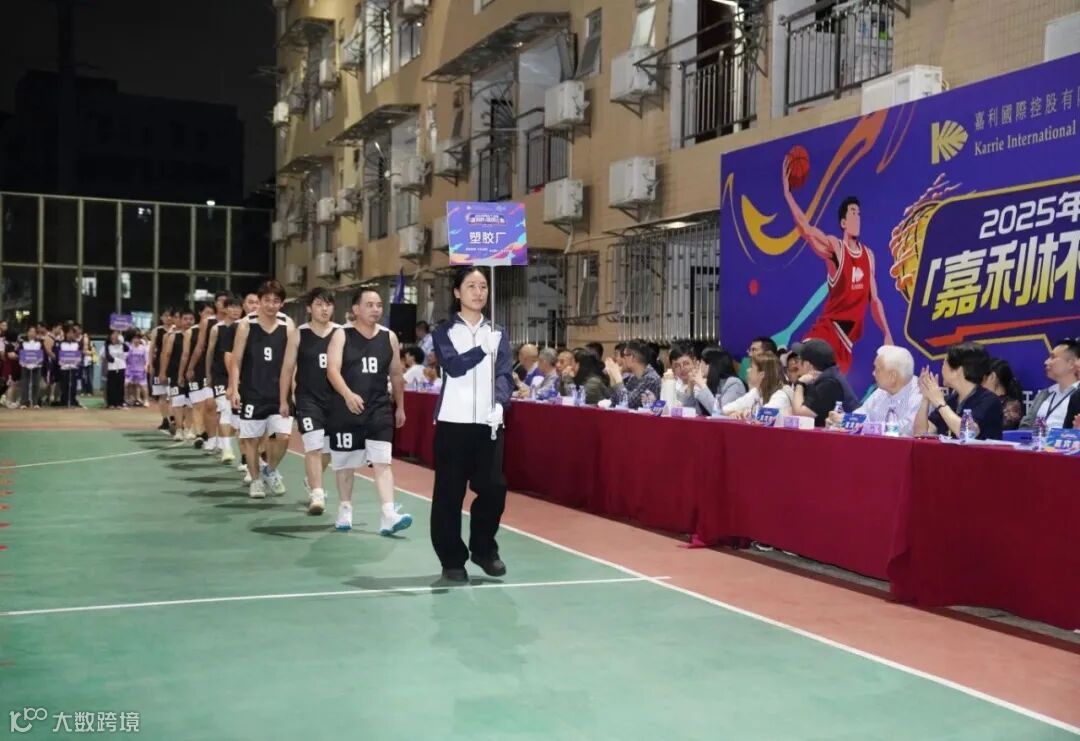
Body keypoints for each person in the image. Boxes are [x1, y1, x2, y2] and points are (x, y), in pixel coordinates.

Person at [430, 267, 513, 583]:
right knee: (449, 495)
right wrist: (481, 350)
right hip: (454, 423)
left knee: (494, 488)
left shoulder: (498, 332)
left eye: (483, 286)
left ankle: (483, 548)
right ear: (457, 292)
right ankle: (452, 559)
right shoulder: (444, 331)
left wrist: (499, 404)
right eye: (471, 286)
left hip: (488, 425)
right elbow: (453, 366)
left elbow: (503, 373)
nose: (479, 292)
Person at [783, 156, 893, 372]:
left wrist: (887, 333)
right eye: (853, 213)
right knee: (804, 369)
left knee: (829, 386)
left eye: (859, 214)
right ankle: (786, 362)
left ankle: (788, 362)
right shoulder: (836, 248)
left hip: (845, 343)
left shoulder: (868, 255)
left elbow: (874, 300)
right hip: (827, 330)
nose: (857, 217)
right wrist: (788, 194)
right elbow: (807, 230)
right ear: (843, 222)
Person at [324, 287, 413, 535]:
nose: (376, 309)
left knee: (383, 461)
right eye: (370, 305)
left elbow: (396, 374)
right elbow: (332, 370)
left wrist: (400, 406)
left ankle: (388, 515)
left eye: (379, 305)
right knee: (345, 463)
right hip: (346, 409)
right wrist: (347, 394)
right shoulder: (341, 334)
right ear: (356, 309)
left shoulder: (389, 337)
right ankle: (345, 508)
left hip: (379, 409)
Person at [228, 281, 295, 499]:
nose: (271, 305)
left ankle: (270, 470)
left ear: (282, 304)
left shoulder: (287, 324)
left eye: (276, 301)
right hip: (253, 392)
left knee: (282, 436)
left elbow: (292, 361)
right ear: (260, 301)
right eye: (267, 300)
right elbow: (236, 360)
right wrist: (234, 388)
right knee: (252, 440)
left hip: (279, 393)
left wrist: (294, 390)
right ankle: (255, 480)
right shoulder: (247, 324)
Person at [288, 288, 338, 516]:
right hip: (308, 399)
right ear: (309, 308)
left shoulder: (341, 333)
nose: (324, 309)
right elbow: (288, 369)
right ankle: (317, 494)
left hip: (335, 400)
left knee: (328, 450)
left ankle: (311, 480)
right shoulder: (299, 334)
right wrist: (286, 398)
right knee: (313, 445)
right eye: (319, 304)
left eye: (328, 304)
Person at [914, 341, 1003, 440]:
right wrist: (926, 398)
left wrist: (940, 403)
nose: (942, 369)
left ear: (958, 371)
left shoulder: (989, 400)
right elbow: (919, 434)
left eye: (944, 364)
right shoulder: (950, 401)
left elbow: (968, 433)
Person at [827, 345, 922, 435]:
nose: (873, 373)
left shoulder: (919, 393)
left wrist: (870, 427)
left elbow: (907, 428)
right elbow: (862, 415)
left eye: (877, 369)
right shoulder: (881, 391)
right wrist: (842, 420)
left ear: (893, 376)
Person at [789, 338, 859, 426]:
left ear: (807, 365)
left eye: (799, 360)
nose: (797, 365)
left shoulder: (829, 383)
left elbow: (799, 414)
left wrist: (800, 384)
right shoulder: (827, 376)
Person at [205, 297, 242, 464]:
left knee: (237, 415)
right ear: (225, 309)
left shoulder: (244, 327)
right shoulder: (216, 328)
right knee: (225, 408)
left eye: (238, 307)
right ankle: (227, 449)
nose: (235, 310)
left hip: (240, 375)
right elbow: (210, 352)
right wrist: (208, 374)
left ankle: (227, 443)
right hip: (220, 374)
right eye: (232, 307)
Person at [1020, 340, 1080, 431]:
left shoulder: (1077, 396)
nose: (1046, 362)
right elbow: (1025, 426)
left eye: (1053, 357)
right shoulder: (1044, 394)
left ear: (1071, 364)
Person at [159, 308, 195, 441]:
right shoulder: (173, 336)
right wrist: (162, 372)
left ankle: (189, 429)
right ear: (180, 320)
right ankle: (179, 429)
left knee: (191, 402)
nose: (188, 322)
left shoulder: (196, 335)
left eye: (191, 319)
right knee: (178, 401)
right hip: (175, 374)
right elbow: (166, 355)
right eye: (185, 319)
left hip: (192, 374)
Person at [723, 352, 794, 418]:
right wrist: (736, 413)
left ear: (762, 374)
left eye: (751, 367)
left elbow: (764, 415)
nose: (748, 370)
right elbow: (725, 409)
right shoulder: (757, 391)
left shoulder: (782, 394)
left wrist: (744, 413)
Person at [604, 340, 661, 409]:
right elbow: (615, 403)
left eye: (624, 355)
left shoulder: (651, 379)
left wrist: (618, 379)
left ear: (631, 357)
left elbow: (628, 403)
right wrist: (613, 378)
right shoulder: (634, 378)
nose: (622, 360)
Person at [149, 309, 177, 433]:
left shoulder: (176, 330)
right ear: (161, 317)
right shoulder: (157, 331)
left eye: (170, 315)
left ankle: (174, 417)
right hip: (159, 365)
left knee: (173, 394)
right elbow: (152, 349)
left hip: (173, 365)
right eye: (165, 315)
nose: (168, 318)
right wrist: (150, 364)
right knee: (162, 394)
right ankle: (165, 419)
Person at [983, 358, 1024, 431]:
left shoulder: (1011, 406)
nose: (980, 382)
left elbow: (1002, 432)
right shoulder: (983, 401)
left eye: (983, 377)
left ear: (992, 377)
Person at [16, 326, 44, 409]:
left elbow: (43, 354)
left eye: (34, 332)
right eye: (30, 331)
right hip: (25, 365)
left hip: (37, 365)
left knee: (36, 384)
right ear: (27, 333)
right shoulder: (23, 343)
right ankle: (24, 402)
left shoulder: (39, 343)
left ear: (36, 333)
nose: (32, 333)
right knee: (25, 383)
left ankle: (35, 402)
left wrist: (39, 361)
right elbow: (19, 352)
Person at [56, 326, 82, 407]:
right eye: (68, 333)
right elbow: (58, 355)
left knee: (73, 385)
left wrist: (77, 362)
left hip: (74, 367)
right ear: (66, 334)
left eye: (72, 333)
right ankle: (64, 401)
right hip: (64, 368)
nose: (70, 335)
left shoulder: (77, 344)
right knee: (64, 385)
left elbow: (80, 355)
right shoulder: (61, 344)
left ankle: (72, 400)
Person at [103, 330, 128, 409]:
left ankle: (119, 402)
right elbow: (107, 356)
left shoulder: (121, 345)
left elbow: (127, 349)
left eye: (117, 334)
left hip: (121, 367)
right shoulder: (108, 345)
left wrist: (122, 342)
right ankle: (111, 403)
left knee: (120, 385)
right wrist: (114, 360)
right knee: (111, 385)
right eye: (114, 334)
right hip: (112, 367)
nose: (115, 336)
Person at [125, 331, 150, 407]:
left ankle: (146, 400)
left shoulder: (143, 348)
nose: (136, 340)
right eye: (134, 338)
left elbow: (147, 359)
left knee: (143, 385)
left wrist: (146, 366)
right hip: (130, 370)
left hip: (140, 370)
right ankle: (130, 399)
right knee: (129, 385)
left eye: (138, 338)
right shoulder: (129, 347)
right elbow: (125, 358)